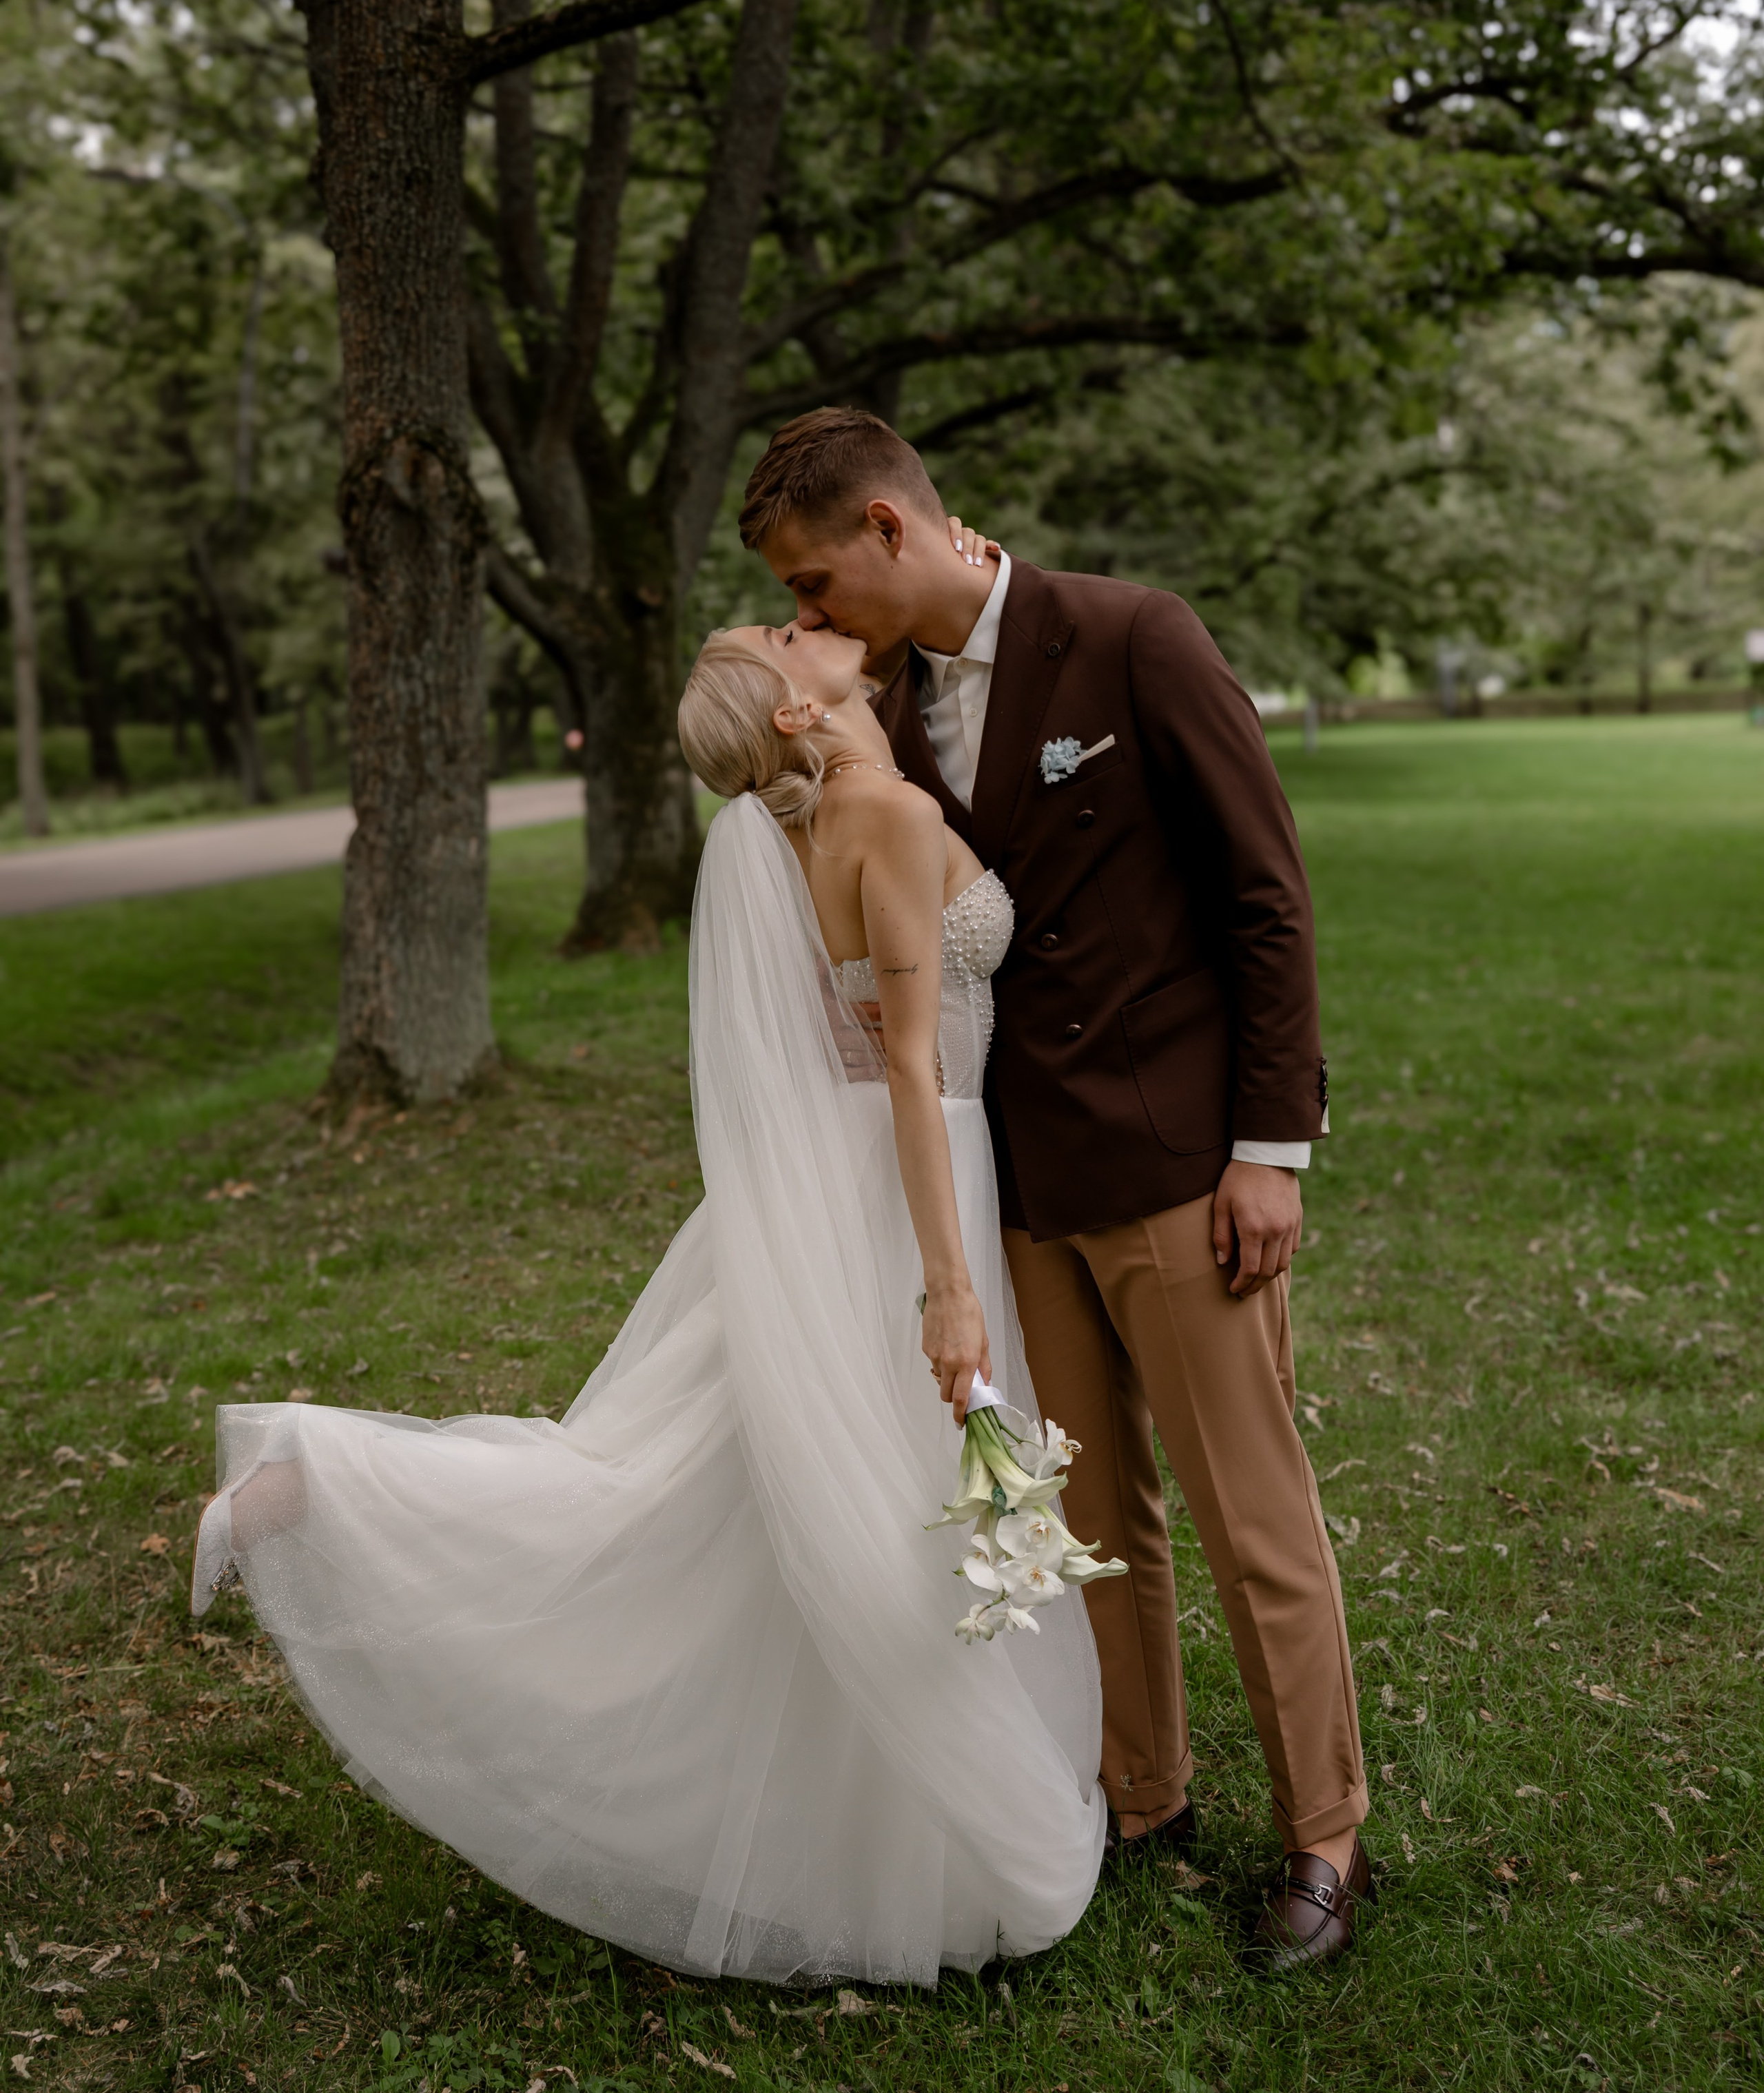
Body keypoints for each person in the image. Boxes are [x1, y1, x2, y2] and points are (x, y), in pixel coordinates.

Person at [191, 619, 1107, 1988]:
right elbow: (912, 1071)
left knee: (734, 1495)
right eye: (785, 634)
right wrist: (949, 1288)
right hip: (904, 1188)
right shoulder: (892, 818)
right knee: (767, 1496)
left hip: (844, 1178)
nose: (805, 623)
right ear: (795, 713)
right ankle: (327, 1478)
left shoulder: (794, 826)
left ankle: (849, 1817)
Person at [741, 405, 1373, 1970]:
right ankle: (1141, 1795)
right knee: (1094, 1518)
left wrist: (1266, 1148)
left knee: (1252, 1520)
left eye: (816, 584)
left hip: (1178, 1170)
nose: (809, 620)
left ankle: (1322, 1836)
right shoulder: (873, 700)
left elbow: (1263, 897)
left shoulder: (1131, 637)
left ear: (891, 528)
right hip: (1016, 1183)